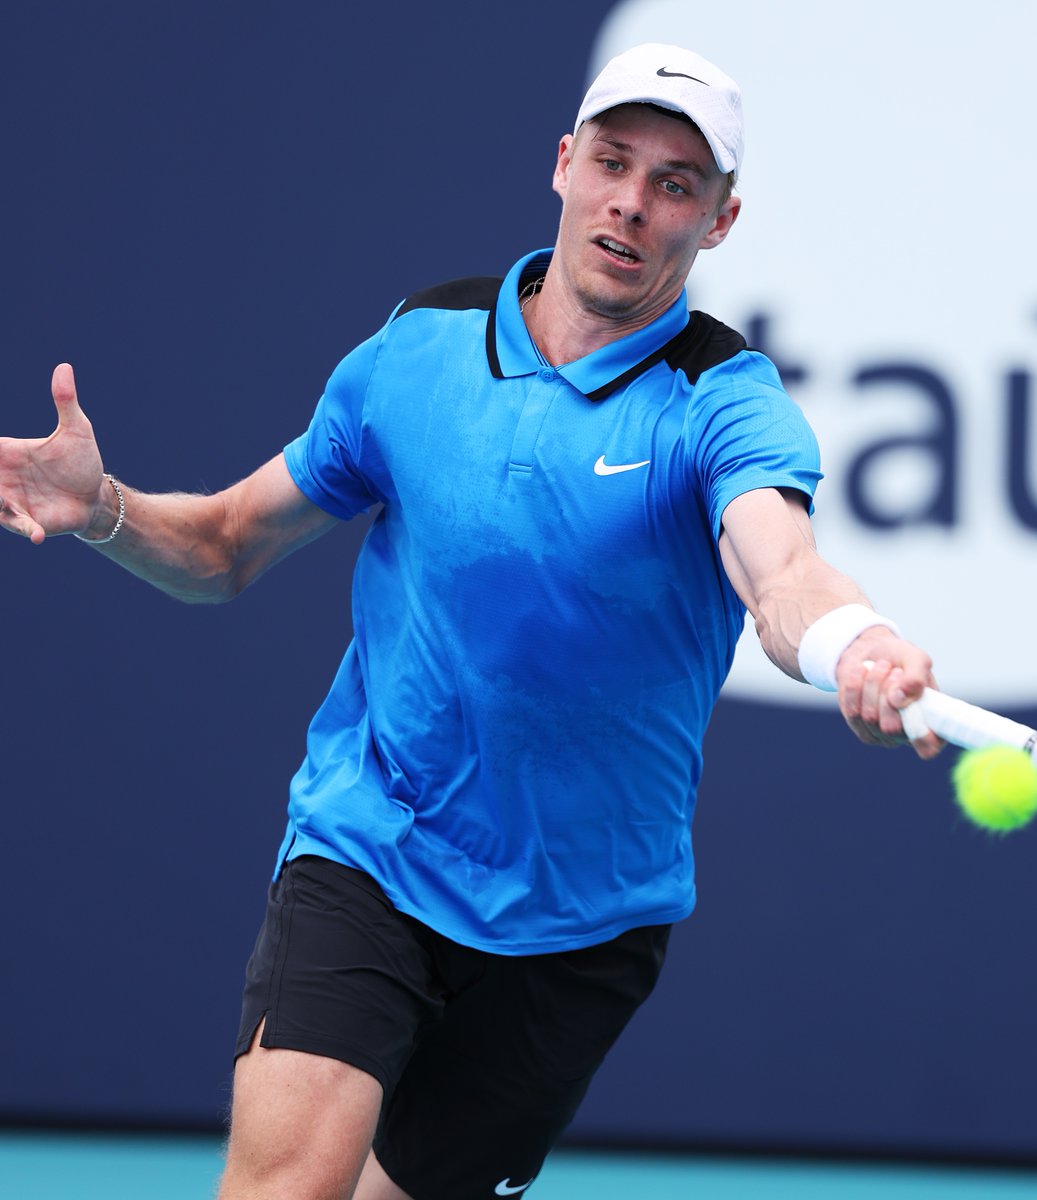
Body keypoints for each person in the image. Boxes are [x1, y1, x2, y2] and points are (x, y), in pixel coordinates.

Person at [0, 42, 940, 1200]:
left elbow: (783, 573)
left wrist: (856, 642)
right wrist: (101, 508)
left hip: (582, 923)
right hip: (373, 848)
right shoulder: (419, 348)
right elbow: (226, 542)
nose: (632, 203)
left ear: (722, 220)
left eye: (677, 183)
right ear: (563, 164)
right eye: (613, 161)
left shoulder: (722, 401)